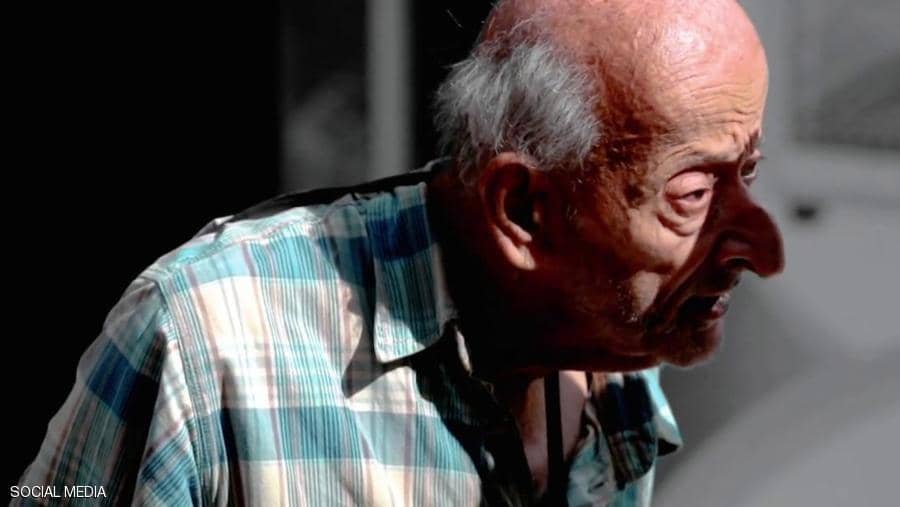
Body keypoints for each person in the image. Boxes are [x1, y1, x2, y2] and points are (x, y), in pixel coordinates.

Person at [16, 0, 784, 505]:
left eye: (746, 174)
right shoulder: (206, 337)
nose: (752, 242)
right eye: (692, 194)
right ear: (523, 211)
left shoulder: (612, 340)